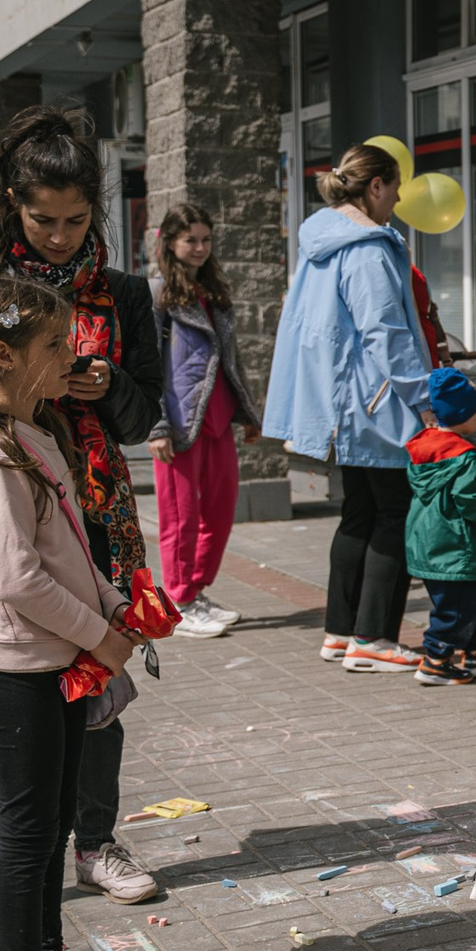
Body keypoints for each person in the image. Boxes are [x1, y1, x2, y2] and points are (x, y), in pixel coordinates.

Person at [0, 105, 163, 918]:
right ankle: (1, 855)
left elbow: (143, 416)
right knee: (4, 684)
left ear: (96, 212)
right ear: (12, 202)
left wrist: (107, 385)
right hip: (3, 502)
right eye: (42, 219)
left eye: (75, 221)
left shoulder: (121, 294)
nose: (57, 236)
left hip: (93, 509)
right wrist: (11, 393)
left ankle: (94, 840)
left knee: (98, 673)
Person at [0, 276, 146, 951]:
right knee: (25, 836)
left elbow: (70, 548)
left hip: (55, 656)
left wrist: (112, 603)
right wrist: (98, 635)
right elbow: (18, 580)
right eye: (55, 343)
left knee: (53, 823)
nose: (73, 354)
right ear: (3, 355)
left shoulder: (35, 434)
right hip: (15, 667)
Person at [262, 142, 433, 673]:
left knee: (358, 512)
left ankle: (341, 632)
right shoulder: (367, 249)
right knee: (394, 514)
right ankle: (373, 638)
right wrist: (423, 397)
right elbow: (386, 331)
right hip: (375, 404)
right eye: (395, 187)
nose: (399, 199)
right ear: (375, 186)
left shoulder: (322, 242)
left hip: (342, 403)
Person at [146, 203, 261, 641]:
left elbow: (231, 360)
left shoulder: (212, 291)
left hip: (219, 417)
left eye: (205, 239)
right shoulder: (157, 294)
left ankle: (195, 591)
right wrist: (156, 427)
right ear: (169, 242)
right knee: (181, 516)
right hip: (179, 423)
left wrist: (247, 413)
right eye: (190, 239)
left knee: (220, 509)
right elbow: (147, 366)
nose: (199, 247)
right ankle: (178, 600)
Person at [404, 366, 476, 686]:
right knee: (455, 608)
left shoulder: (423, 447)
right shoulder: (465, 456)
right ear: (464, 414)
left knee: (466, 599)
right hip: (453, 546)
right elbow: (469, 499)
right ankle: (436, 660)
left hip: (427, 542)